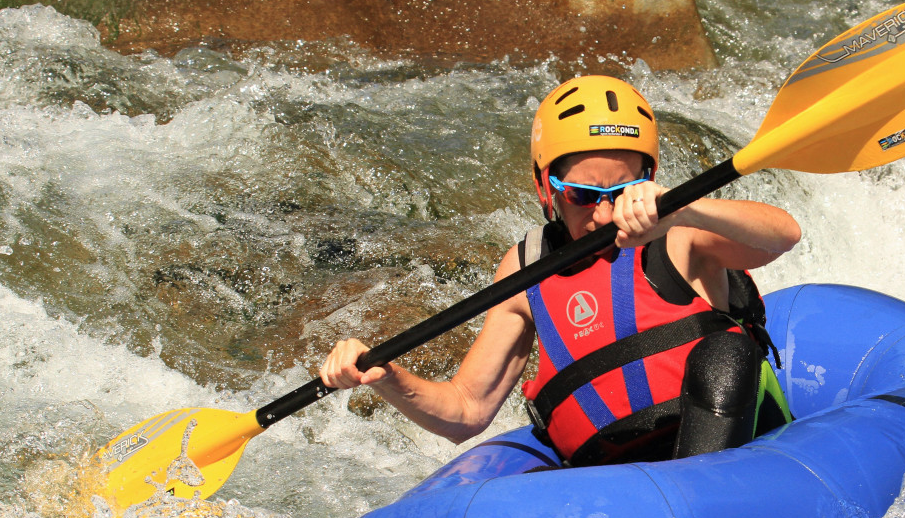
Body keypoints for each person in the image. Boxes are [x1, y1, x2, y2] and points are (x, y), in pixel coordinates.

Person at [319, 75, 801, 466]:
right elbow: (467, 409)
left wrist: (686, 211)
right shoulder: (524, 269)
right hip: (616, 482)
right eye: (583, 196)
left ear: (650, 179)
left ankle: (701, 513)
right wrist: (386, 378)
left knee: (726, 357)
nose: (607, 214)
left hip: (733, 453)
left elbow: (782, 234)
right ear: (545, 188)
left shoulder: (680, 233)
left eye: (625, 189)